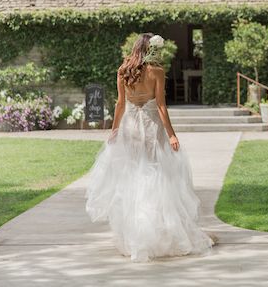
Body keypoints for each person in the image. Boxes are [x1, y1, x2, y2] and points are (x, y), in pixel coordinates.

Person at [84, 32, 215, 262]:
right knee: (158, 176)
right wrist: (172, 135)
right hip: (153, 127)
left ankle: (136, 236)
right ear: (151, 49)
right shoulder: (157, 71)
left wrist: (114, 131)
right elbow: (162, 106)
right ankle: (157, 232)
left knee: (134, 176)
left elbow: (120, 104)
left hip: (131, 126)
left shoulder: (124, 70)